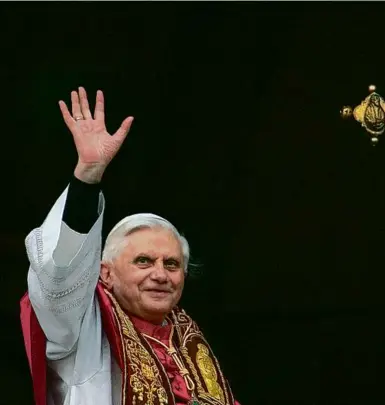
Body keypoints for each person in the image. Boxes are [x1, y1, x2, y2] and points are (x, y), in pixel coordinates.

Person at [20, 87, 240, 405]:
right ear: (105, 273)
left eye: (172, 264)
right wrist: (87, 175)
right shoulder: (81, 326)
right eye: (143, 261)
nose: (160, 274)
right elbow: (60, 273)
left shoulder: (187, 337)